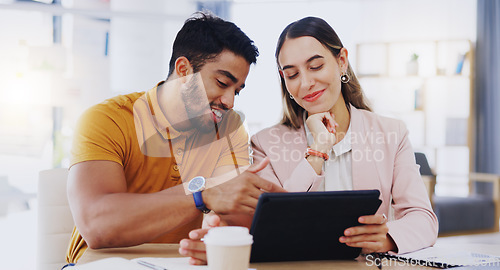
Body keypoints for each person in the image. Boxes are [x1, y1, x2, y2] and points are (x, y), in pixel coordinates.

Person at [179, 16, 438, 264]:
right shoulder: (265, 143)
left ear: (342, 61)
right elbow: (274, 224)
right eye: (292, 75)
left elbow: (423, 218)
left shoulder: (391, 133)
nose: (306, 83)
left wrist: (388, 237)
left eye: (316, 66)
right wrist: (316, 152)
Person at [65, 12, 286, 265]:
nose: (229, 101)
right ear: (183, 70)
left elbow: (229, 208)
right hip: (102, 263)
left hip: (181, 262)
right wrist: (201, 195)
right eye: (222, 82)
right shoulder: (107, 119)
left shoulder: (230, 127)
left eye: (237, 90)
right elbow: (97, 225)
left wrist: (219, 232)